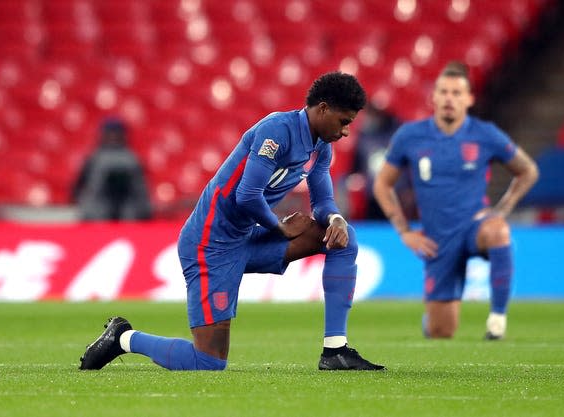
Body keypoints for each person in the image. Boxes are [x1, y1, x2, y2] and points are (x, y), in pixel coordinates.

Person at [79, 72, 385, 371]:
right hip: (211, 244)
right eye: (344, 121)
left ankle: (335, 350)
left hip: (248, 237)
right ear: (323, 109)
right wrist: (279, 226)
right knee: (208, 361)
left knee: (343, 240)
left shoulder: (321, 147)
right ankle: (123, 338)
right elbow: (247, 195)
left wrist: (334, 218)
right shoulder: (277, 130)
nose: (346, 131)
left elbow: (321, 199)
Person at [373, 61, 539, 340]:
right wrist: (404, 232)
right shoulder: (410, 136)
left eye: (457, 93)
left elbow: (528, 171)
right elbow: (382, 184)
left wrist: (502, 210)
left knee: (498, 230)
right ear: (434, 97)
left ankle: (497, 320)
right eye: (444, 92)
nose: (449, 98)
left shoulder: (485, 135)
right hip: (438, 241)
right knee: (441, 332)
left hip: (475, 227)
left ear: (469, 99)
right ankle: (432, 320)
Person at [71, 117, 152, 221]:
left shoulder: (132, 159)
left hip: (128, 209)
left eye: (117, 134)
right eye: (110, 133)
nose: (113, 137)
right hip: (98, 208)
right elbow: (78, 188)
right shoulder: (94, 158)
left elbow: (141, 190)